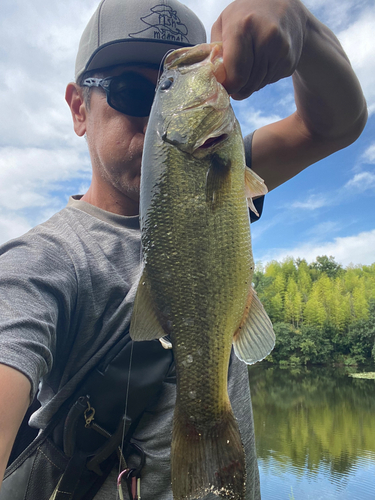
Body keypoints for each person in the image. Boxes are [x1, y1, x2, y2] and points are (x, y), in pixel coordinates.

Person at [0, 0, 367, 498]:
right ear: (79, 108)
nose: (154, 117)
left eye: (167, 86)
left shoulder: (223, 173)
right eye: (133, 91)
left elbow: (337, 124)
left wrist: (302, 27)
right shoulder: (40, 264)